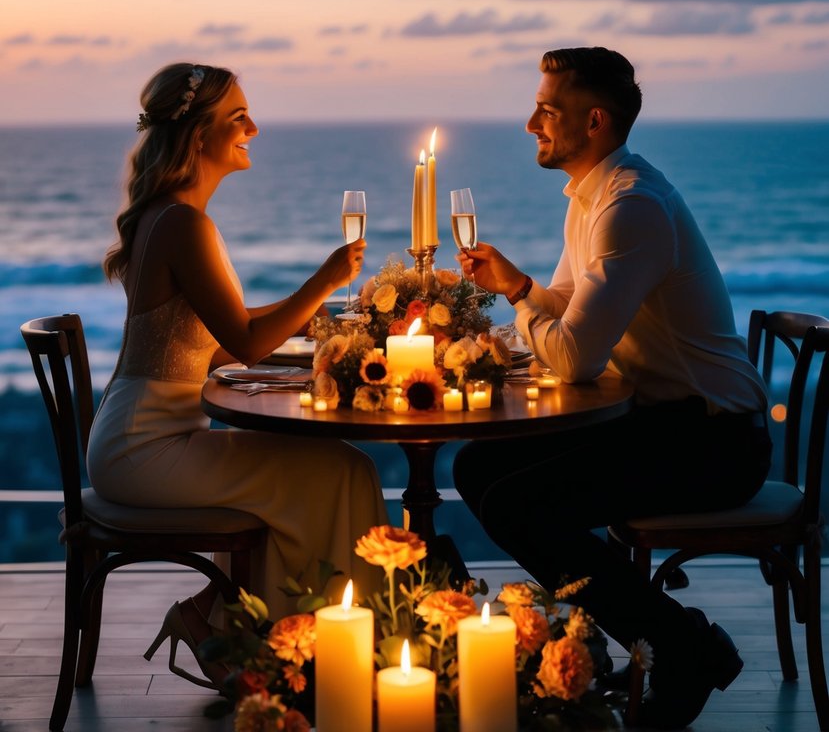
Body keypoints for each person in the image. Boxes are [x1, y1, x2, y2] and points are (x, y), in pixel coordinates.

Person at [453, 47, 771, 730]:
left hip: (715, 440)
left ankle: (679, 646)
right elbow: (566, 312)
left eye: (545, 109)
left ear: (592, 120)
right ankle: (660, 633)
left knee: (519, 506)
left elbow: (571, 358)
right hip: (661, 419)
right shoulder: (593, 196)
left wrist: (514, 291)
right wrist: (520, 298)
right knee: (475, 464)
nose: (529, 123)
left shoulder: (632, 207)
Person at [87, 63, 386, 689]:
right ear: (199, 137)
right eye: (237, 117)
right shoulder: (183, 225)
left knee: (323, 469)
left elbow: (220, 345)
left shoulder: (175, 218)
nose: (254, 126)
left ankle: (235, 629)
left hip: (147, 432)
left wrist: (316, 327)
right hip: (147, 446)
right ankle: (318, 656)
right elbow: (244, 343)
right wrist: (326, 280)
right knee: (344, 470)